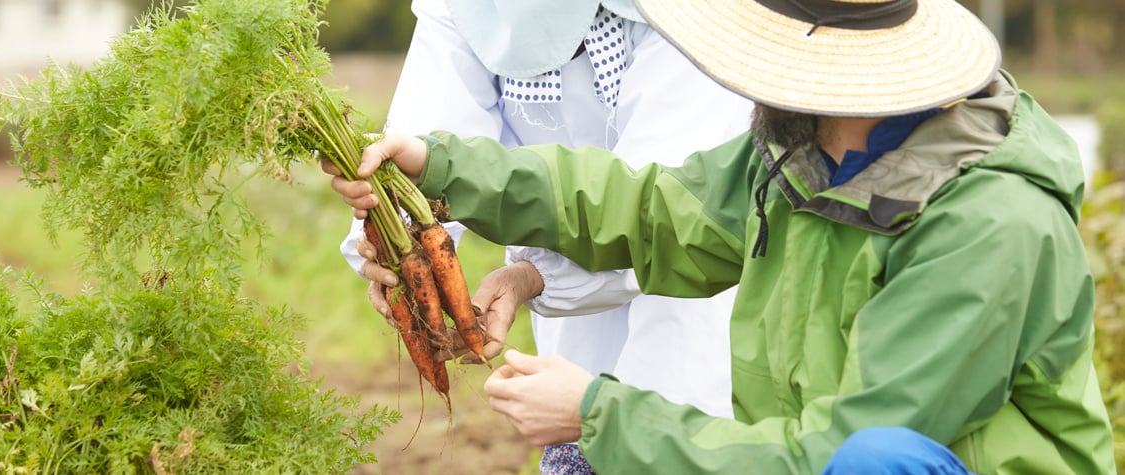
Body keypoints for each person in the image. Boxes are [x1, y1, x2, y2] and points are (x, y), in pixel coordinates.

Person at [325, 0, 1117, 472]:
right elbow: (653, 208)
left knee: (876, 460)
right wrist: (446, 168)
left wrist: (598, 413)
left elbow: (831, 453)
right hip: (813, 455)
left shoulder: (987, 227)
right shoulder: (809, 149)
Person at [338, 0, 751, 471]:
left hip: (703, 291)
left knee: (683, 419)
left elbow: (668, 212)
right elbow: (426, 136)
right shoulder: (469, 9)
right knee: (585, 415)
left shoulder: (693, 15)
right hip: (570, 290)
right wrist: (391, 242)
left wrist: (533, 276)